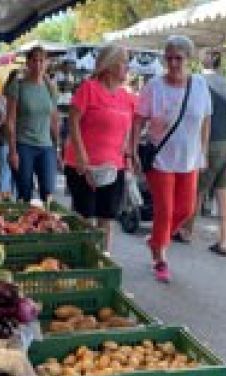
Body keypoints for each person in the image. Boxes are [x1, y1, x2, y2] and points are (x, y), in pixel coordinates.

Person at [130, 35, 213, 283]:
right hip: (160, 158)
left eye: (179, 58)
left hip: (189, 159)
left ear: (189, 59)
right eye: (169, 58)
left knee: (186, 210)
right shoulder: (154, 86)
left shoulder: (200, 85)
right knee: (165, 210)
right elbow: (138, 120)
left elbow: (206, 119)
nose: (173, 63)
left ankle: (157, 239)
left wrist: (204, 151)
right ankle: (160, 258)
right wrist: (132, 149)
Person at [64, 44, 137, 253]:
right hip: (84, 165)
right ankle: (79, 255)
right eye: (124, 62)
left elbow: (129, 128)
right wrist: (81, 154)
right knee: (84, 215)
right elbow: (73, 121)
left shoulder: (127, 97)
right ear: (110, 65)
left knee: (107, 216)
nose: (127, 67)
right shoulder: (89, 89)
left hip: (114, 166)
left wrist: (129, 156)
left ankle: (103, 256)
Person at [178, 49, 226, 256]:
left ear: (200, 62)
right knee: (222, 190)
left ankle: (186, 231)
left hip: (212, 141)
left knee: (198, 189)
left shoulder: (198, 82)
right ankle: (224, 241)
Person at [5, 46, 60, 204]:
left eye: (41, 61)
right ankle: (24, 219)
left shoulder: (50, 88)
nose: (38, 64)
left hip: (46, 146)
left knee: (48, 192)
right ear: (28, 63)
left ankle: (47, 219)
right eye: (34, 60)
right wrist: (12, 151)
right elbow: (10, 121)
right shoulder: (18, 85)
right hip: (24, 145)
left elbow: (54, 119)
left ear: (47, 63)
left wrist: (57, 148)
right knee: (25, 192)